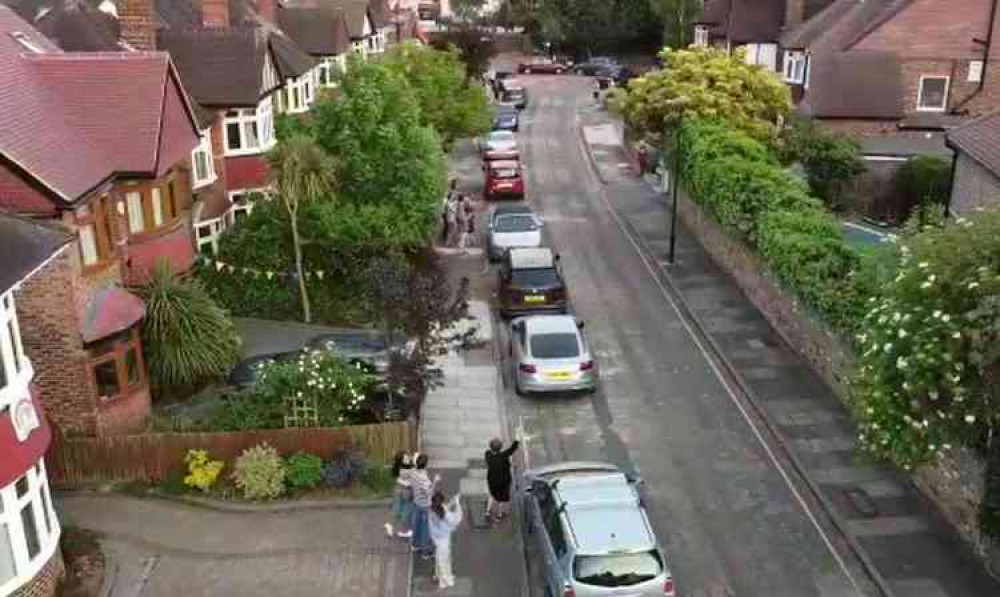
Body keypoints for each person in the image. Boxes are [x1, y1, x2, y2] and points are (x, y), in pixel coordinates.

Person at [429, 491, 463, 589]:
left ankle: (438, 575)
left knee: (439, 558)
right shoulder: (444, 514)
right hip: (443, 539)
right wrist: (457, 503)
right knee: (444, 560)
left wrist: (453, 501)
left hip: (436, 538)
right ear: (441, 503)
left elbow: (445, 507)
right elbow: (457, 519)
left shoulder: (431, 509)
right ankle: (445, 580)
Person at [409, 453, 440, 557]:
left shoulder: (413, 472)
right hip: (425, 506)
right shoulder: (423, 478)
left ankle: (415, 545)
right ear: (426, 464)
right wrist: (435, 481)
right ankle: (425, 552)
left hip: (416, 502)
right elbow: (429, 493)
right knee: (425, 529)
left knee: (417, 525)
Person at [485, 437, 520, 522]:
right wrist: (517, 440)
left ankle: (487, 512)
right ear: (500, 447)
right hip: (503, 481)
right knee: (501, 498)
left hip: (492, 480)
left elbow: (508, 451)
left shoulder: (488, 454)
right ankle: (499, 514)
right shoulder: (503, 456)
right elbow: (512, 449)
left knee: (492, 495)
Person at [385, 451, 413, 538]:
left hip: (398, 487)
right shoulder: (408, 469)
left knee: (397, 507)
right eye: (406, 458)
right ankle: (403, 530)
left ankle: (390, 524)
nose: (408, 458)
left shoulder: (397, 467)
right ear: (402, 460)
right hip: (406, 490)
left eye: (408, 457)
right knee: (406, 509)